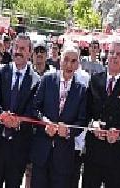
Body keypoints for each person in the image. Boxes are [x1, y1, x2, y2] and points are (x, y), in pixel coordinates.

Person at [29, 43, 88, 188]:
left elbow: (82, 121)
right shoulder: (47, 80)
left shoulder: (82, 89)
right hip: (42, 153)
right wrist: (45, 123)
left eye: (73, 61)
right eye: (66, 59)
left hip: (63, 158)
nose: (69, 64)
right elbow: (34, 108)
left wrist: (68, 131)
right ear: (60, 59)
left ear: (78, 64)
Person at [0, 34, 40, 188]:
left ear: (30, 52)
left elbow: (33, 110)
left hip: (19, 148)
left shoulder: (37, 80)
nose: (18, 51)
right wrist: (2, 114)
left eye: (23, 49)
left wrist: (18, 122)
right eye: (16, 47)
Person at [83, 40, 120, 188]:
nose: (114, 56)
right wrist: (92, 124)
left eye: (118, 54)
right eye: (111, 52)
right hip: (93, 152)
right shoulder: (95, 80)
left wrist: (119, 132)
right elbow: (85, 112)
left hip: (116, 156)